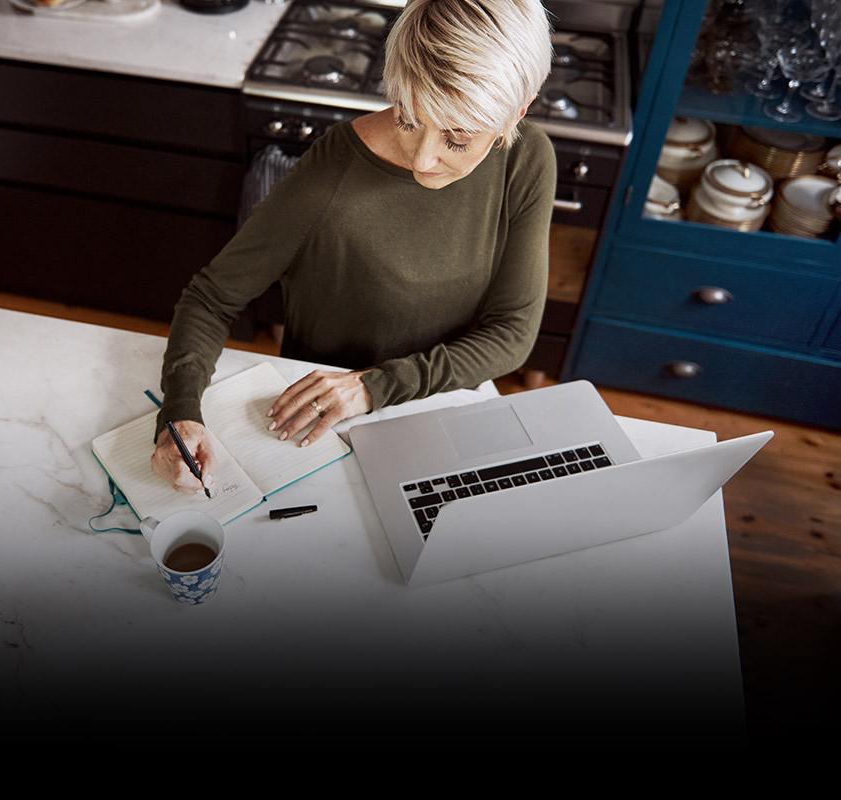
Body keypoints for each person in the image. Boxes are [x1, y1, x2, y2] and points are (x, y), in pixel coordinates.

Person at [150, 0, 556, 493]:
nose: (424, 159)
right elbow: (211, 298)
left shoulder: (527, 158)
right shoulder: (331, 172)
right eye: (409, 118)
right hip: (319, 429)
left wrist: (373, 387)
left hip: (443, 408)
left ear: (517, 112)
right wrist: (180, 414)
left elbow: (512, 332)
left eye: (457, 138)